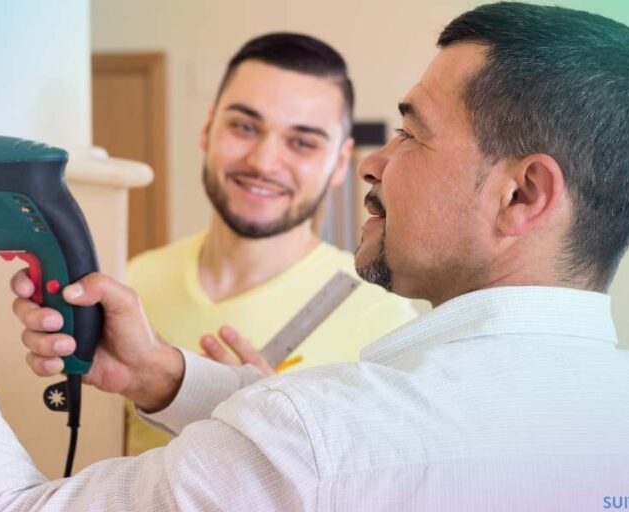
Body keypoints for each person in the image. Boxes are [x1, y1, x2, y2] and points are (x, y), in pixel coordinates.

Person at [0, 2, 629, 510]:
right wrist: (174, 380)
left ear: (523, 195)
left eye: (412, 133)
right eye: (244, 124)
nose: (381, 164)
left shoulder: (328, 429)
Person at [124, 32, 417, 455]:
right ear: (207, 129)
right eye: (244, 127)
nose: (263, 162)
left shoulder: (384, 325)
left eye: (302, 142)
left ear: (339, 162)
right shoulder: (136, 282)